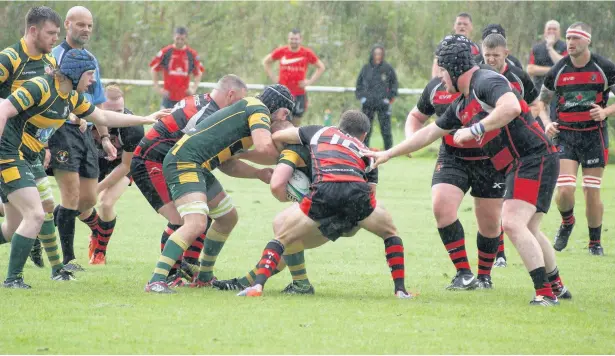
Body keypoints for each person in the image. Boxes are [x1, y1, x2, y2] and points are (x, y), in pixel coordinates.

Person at [365, 39, 571, 306]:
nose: (439, 76)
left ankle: (544, 294)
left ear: (453, 67)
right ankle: (556, 286)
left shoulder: (486, 81)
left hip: (534, 158)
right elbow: (429, 132)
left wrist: (475, 129)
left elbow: (510, 107)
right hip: (524, 162)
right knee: (528, 227)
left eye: (441, 69)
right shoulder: (462, 103)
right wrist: (388, 153)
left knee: (511, 223)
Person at [0, 48, 164, 288]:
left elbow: (104, 117)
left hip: (26, 157)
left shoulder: (71, 98)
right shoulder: (41, 86)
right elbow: (4, 108)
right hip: (9, 154)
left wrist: (147, 119)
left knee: (13, 227)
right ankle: (13, 280)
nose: (93, 80)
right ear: (76, 73)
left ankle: (41, 270)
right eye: (90, 74)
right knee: (36, 214)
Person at [235, 110, 413, 299]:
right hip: (357, 193)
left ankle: (257, 287)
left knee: (282, 238)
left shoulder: (320, 131)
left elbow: (278, 136)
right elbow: (371, 194)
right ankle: (400, 290)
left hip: (325, 190)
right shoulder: (367, 151)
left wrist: (281, 149)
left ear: (340, 125)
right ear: (365, 135)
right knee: (390, 233)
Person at [144, 84, 295, 293]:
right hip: (184, 162)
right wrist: (292, 161)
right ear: (283, 111)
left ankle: (204, 276)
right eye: (286, 116)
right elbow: (265, 148)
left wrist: (258, 173)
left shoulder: (248, 113)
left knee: (228, 217)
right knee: (196, 223)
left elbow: (228, 164)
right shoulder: (258, 108)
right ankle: (156, 280)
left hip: (197, 165)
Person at [407, 36, 506, 289]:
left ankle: (484, 276)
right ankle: (464, 273)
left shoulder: (485, 83)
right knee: (441, 207)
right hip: (453, 156)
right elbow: (416, 116)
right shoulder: (436, 87)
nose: (442, 71)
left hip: (489, 158)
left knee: (490, 222)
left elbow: (511, 112)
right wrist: (410, 140)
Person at [131, 74, 248, 284]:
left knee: (207, 212)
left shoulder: (202, 101)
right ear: (230, 95)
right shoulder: (206, 115)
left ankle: (191, 267)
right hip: (151, 162)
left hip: (179, 162)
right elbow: (223, 161)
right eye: (239, 102)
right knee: (181, 220)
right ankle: (167, 277)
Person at [538, 22, 615, 256]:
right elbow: (541, 103)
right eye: (568, 38)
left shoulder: (604, 67)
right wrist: (547, 123)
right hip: (566, 136)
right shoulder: (558, 69)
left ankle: (594, 243)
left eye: (576, 38)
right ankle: (567, 222)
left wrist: (605, 112)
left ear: (587, 40)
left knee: (591, 191)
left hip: (594, 136)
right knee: (564, 190)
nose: (570, 43)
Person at [49, 6, 115, 272]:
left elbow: (97, 102)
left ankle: (50, 221)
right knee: (71, 194)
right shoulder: (53, 57)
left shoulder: (90, 59)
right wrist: (70, 117)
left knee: (88, 199)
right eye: (80, 25)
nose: (85, 29)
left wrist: (106, 137)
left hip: (86, 131)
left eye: (89, 25)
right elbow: (51, 99)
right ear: (67, 24)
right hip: (62, 130)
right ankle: (68, 259)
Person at [0, 6, 62, 271]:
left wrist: (45, 143)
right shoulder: (10, 59)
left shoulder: (50, 64)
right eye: (50, 33)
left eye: (57, 34)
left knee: (15, 225)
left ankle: (41, 254)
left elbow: (45, 106)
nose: (55, 39)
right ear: (33, 30)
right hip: (7, 149)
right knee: (36, 211)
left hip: (30, 150)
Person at [79, 84, 144, 265]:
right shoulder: (87, 119)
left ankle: (100, 252)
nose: (118, 116)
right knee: (80, 206)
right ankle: (97, 230)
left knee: (106, 203)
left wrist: (98, 188)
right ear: (99, 108)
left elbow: (125, 165)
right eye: (111, 111)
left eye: (120, 110)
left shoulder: (133, 128)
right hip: (95, 161)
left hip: (122, 165)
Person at [263, 28, 326, 126]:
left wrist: (309, 82)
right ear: (288, 39)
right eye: (291, 39)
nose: (293, 41)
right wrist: (274, 79)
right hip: (283, 94)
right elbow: (266, 62)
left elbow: (321, 67)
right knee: (280, 123)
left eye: (296, 39)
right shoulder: (282, 51)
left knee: (296, 123)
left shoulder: (306, 53)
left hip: (299, 94)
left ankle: (293, 141)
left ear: (300, 39)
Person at [355, 44, 398, 150]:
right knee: (365, 127)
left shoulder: (387, 68)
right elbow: (359, 84)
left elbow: (394, 83)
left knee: (385, 128)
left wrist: (389, 97)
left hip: (382, 103)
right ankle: (363, 149)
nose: (378, 56)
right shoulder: (366, 68)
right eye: (376, 53)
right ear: (372, 54)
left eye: (380, 53)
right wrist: (362, 97)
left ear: (383, 55)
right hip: (368, 103)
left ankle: (389, 150)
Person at [150, 27, 204, 109]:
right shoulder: (166, 52)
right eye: (177, 38)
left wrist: (193, 89)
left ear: (186, 39)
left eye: (182, 39)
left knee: (183, 121)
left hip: (184, 98)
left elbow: (199, 72)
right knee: (164, 120)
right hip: (168, 97)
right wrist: (158, 88)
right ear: (173, 37)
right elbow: (154, 69)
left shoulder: (191, 54)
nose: (179, 41)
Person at [431, 13, 480, 78]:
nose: (462, 26)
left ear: (471, 26)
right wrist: (435, 82)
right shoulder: (446, 43)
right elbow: (436, 63)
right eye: (459, 24)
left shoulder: (475, 47)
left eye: (465, 24)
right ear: (454, 26)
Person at [527, 20, 567, 92]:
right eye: (549, 29)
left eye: (554, 29)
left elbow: (564, 66)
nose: (551, 31)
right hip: (539, 90)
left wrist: (550, 47)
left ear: (559, 32)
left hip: (559, 91)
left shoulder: (566, 47)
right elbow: (530, 69)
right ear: (545, 31)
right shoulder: (536, 48)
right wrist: (555, 70)